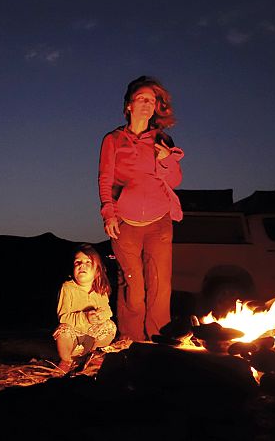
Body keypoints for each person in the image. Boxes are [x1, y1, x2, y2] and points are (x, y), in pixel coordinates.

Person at [98, 76, 184, 342]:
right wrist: (108, 213)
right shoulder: (113, 139)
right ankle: (131, 341)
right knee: (133, 287)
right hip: (126, 223)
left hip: (159, 222)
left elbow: (174, 180)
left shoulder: (162, 139)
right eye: (141, 99)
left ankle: (158, 340)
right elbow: (105, 178)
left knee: (160, 285)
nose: (147, 104)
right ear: (129, 105)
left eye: (152, 100)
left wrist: (166, 160)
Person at [53, 244, 117, 373]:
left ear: (97, 271)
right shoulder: (68, 288)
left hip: (91, 338)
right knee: (62, 330)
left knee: (110, 326)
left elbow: (108, 311)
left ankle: (93, 356)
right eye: (78, 262)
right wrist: (85, 317)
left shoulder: (100, 289)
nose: (82, 265)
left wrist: (100, 316)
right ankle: (67, 360)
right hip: (73, 338)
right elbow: (63, 316)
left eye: (88, 262)